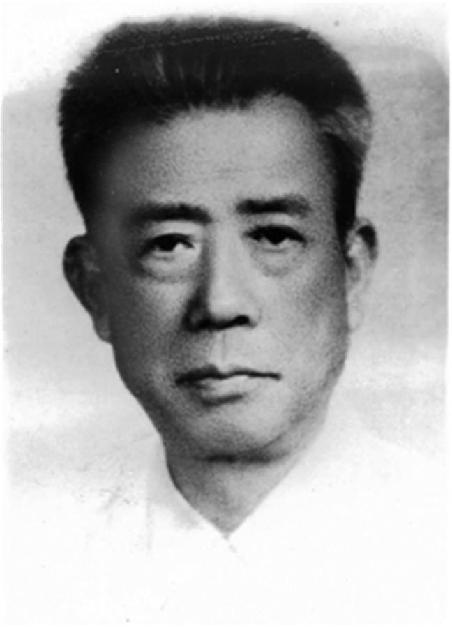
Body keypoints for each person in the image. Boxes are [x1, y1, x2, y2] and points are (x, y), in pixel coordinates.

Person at [8, 16, 445, 625]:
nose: (220, 303)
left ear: (351, 271)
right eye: (169, 244)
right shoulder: (27, 563)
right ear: (94, 288)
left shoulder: (436, 542)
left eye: (274, 236)